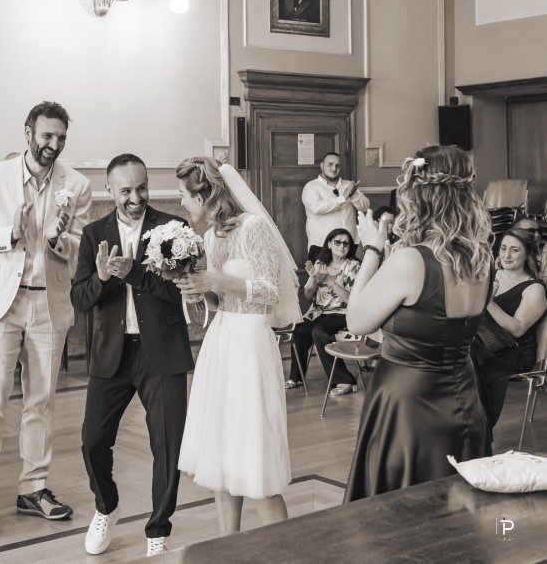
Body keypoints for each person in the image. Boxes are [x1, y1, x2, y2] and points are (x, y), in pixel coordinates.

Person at [0, 101, 92, 535]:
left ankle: (34, 489)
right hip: (2, 304)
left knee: (41, 401)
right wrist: (12, 234)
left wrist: (59, 241)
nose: (53, 144)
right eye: (47, 136)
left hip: (48, 304)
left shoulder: (77, 185)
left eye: (61, 138)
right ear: (28, 132)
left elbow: (80, 248)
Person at [343, 145, 492, 502]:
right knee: (457, 510)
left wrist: (372, 249)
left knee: (404, 515)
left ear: (420, 197)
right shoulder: (482, 260)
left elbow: (357, 321)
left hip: (407, 406)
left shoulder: (411, 261)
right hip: (466, 399)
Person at [71, 154, 193, 558]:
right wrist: (103, 277)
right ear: (109, 190)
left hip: (162, 352)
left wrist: (134, 274)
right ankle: (107, 507)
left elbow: (180, 292)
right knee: (92, 441)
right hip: (112, 353)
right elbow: (80, 298)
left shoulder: (174, 229)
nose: (136, 198)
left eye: (142, 188)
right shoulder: (93, 234)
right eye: (126, 191)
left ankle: (158, 530)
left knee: (168, 447)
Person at [175, 157, 302, 536]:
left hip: (250, 344)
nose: (181, 202)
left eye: (184, 195)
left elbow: (270, 291)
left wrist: (215, 280)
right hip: (221, 341)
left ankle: (286, 553)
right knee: (221, 458)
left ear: (203, 195)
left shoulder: (254, 227)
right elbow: (219, 301)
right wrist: (199, 291)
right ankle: (226, 546)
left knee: (254, 460)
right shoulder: (210, 237)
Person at [474, 228, 547, 431]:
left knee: (466, 356)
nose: (506, 255)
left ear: (527, 254)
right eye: (504, 248)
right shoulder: (491, 275)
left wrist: (489, 302)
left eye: (514, 250)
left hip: (512, 352)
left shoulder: (534, 288)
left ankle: (476, 425)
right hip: (482, 342)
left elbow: (518, 328)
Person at [286, 228, 361, 394]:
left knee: (319, 332)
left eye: (346, 243)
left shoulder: (353, 266)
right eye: (338, 242)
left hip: (342, 312)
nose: (342, 246)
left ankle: (345, 380)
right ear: (329, 244)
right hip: (318, 312)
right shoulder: (320, 265)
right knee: (300, 330)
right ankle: (296, 377)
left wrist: (329, 280)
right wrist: (313, 280)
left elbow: (350, 299)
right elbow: (307, 295)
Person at [302, 152, 369, 260]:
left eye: (337, 165)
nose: (334, 168)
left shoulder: (348, 185)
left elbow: (365, 207)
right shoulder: (311, 187)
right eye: (330, 164)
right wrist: (343, 197)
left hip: (350, 245)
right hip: (322, 245)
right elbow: (317, 208)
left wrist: (353, 195)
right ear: (322, 165)